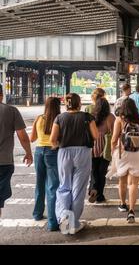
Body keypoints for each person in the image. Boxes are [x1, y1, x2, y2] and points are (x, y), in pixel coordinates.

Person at [50, 93, 98, 235]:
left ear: (66, 104)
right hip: (83, 152)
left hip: (64, 152)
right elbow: (95, 135)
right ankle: (73, 224)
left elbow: (53, 139)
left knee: (64, 186)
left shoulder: (59, 118)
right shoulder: (87, 117)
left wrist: (61, 144)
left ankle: (64, 219)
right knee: (79, 189)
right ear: (79, 103)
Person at [0, 84, 33, 218]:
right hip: (4, 163)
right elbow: (22, 136)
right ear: (2, 95)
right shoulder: (11, 111)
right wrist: (28, 153)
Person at [110, 98, 139, 223]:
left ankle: (123, 204)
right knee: (134, 184)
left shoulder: (119, 119)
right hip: (138, 152)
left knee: (122, 181)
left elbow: (114, 139)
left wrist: (112, 151)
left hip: (123, 152)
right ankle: (132, 211)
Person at [29, 97, 61, 231]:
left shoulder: (39, 118)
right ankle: (53, 223)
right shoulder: (59, 119)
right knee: (53, 186)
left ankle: (37, 214)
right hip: (53, 152)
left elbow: (32, 138)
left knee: (40, 183)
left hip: (38, 152)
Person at [88, 97, 115, 204]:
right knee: (102, 173)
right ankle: (100, 196)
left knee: (93, 171)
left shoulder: (91, 117)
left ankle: (93, 189)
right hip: (105, 147)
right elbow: (114, 133)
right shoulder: (110, 117)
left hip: (93, 146)